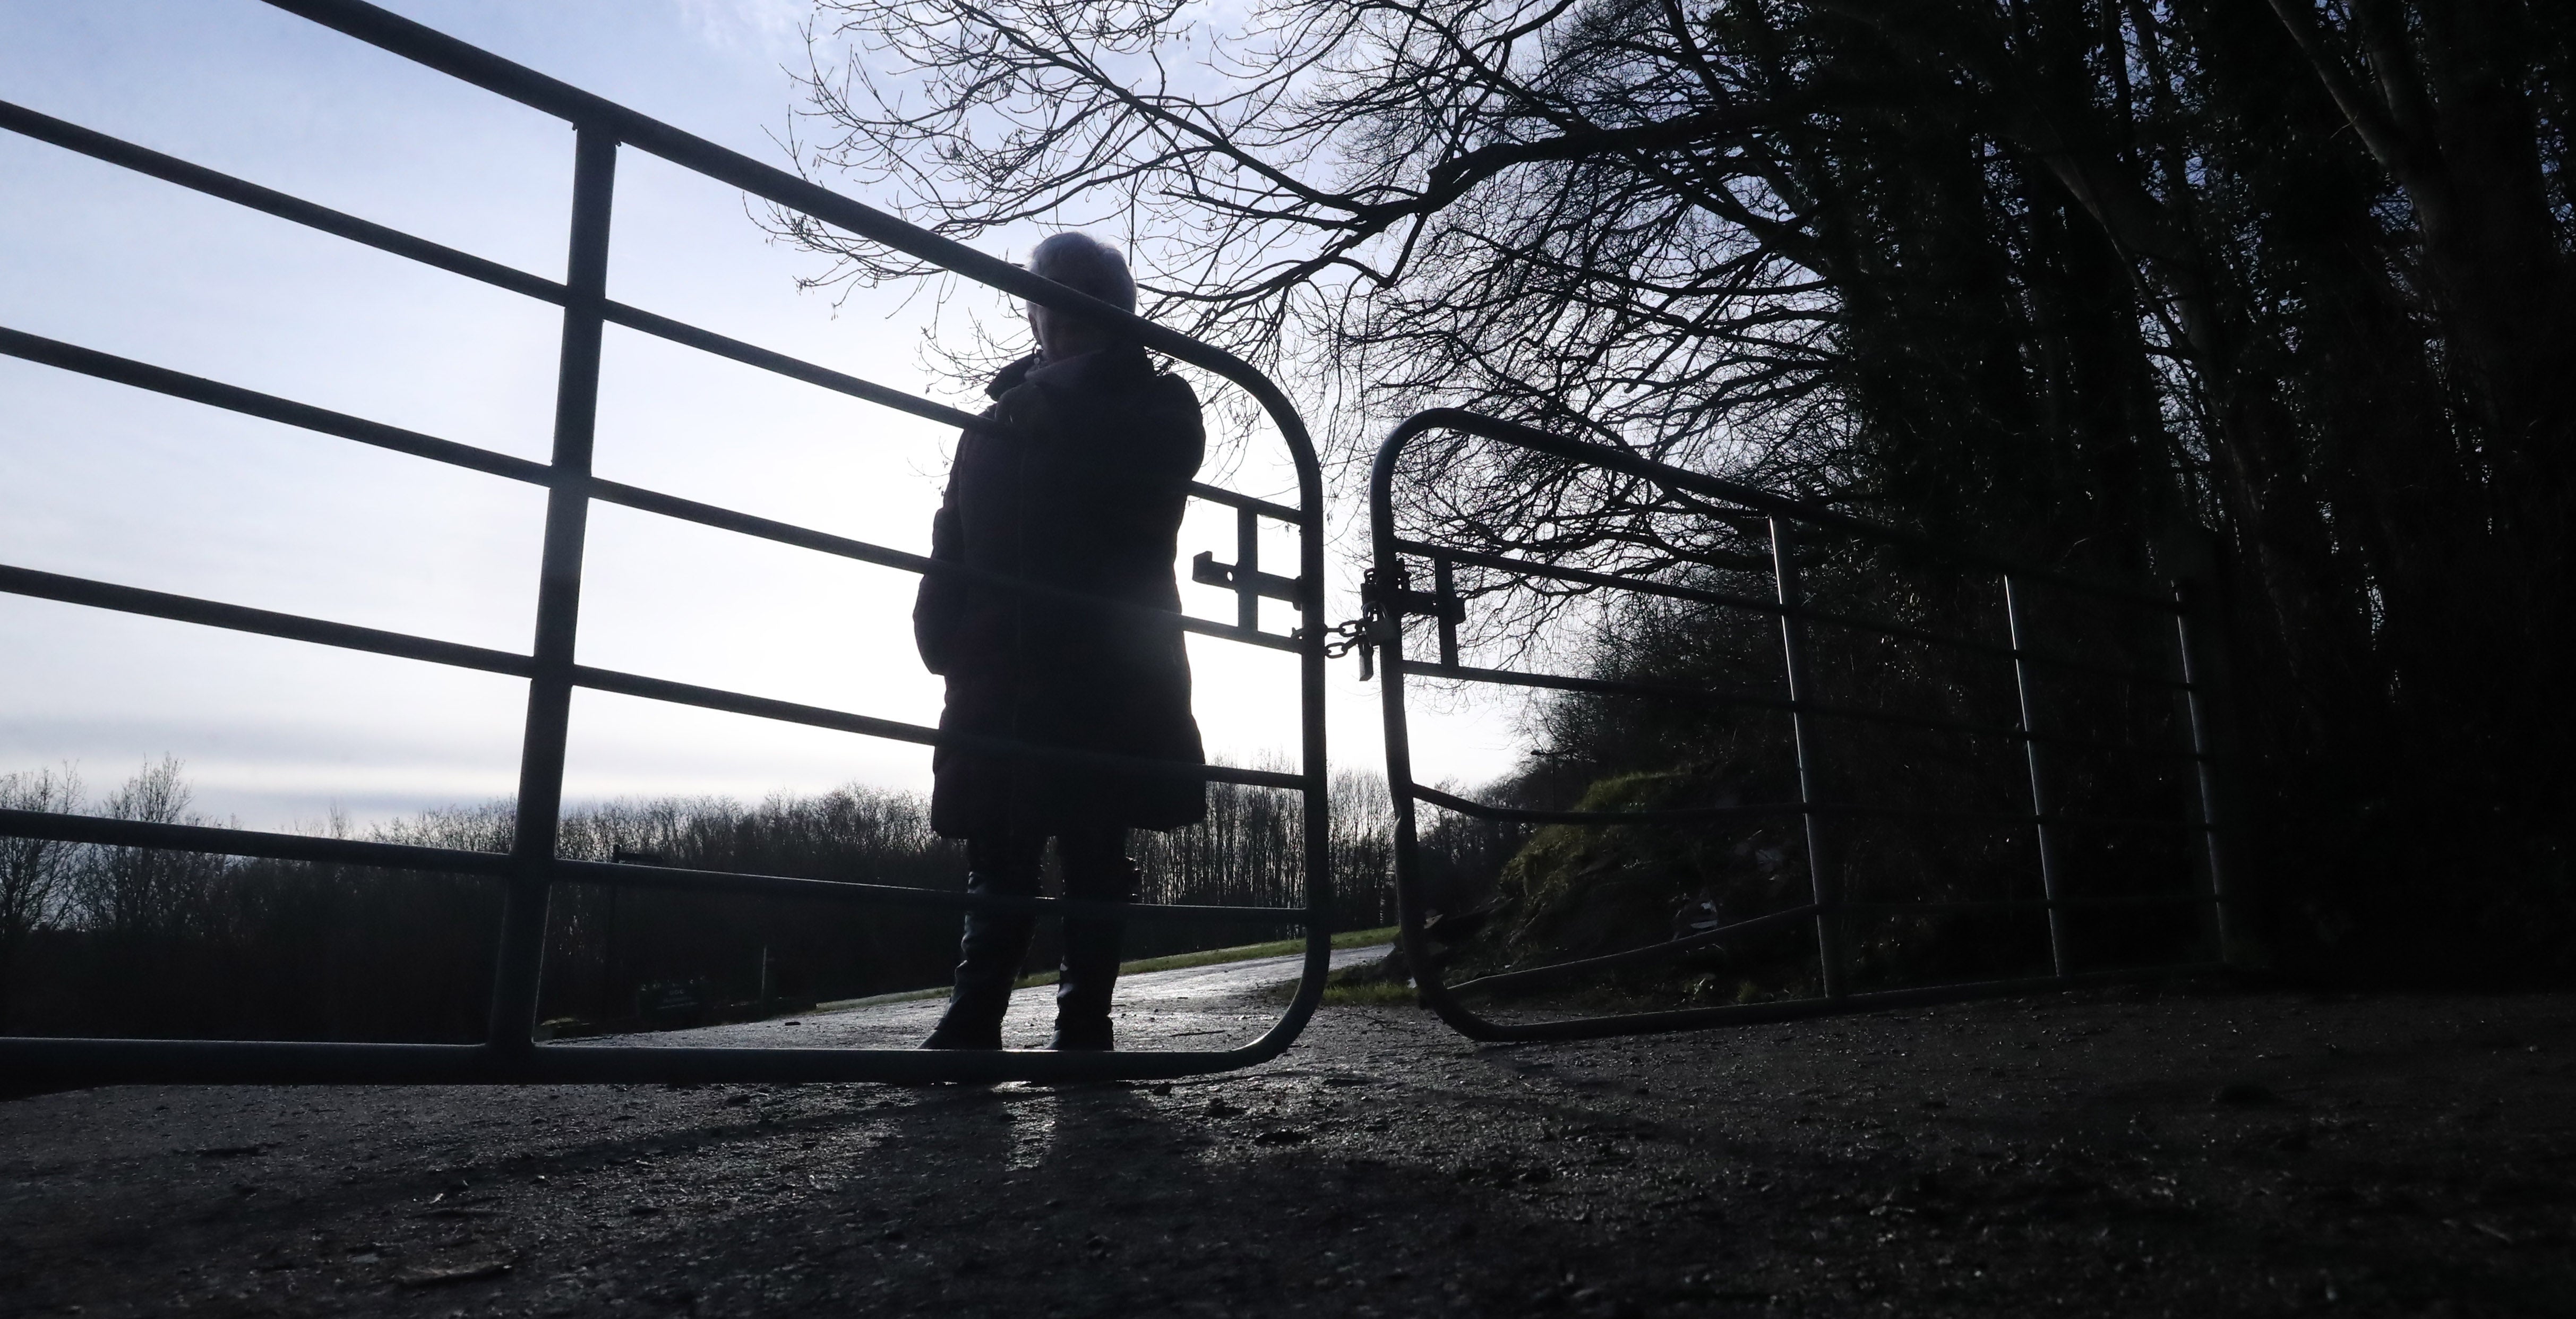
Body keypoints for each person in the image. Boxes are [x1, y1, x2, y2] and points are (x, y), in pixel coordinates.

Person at [913, 233, 1208, 1051]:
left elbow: (1144, 485)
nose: (1058, 309)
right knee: (998, 841)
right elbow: (953, 529)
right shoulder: (996, 419)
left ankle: (1086, 1022)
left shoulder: (1156, 403)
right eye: (1046, 293)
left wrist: (1049, 402)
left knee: (1093, 835)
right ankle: (974, 1019)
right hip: (998, 658)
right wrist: (939, 619)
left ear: (1115, 306)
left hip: (1100, 660)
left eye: (1081, 291)